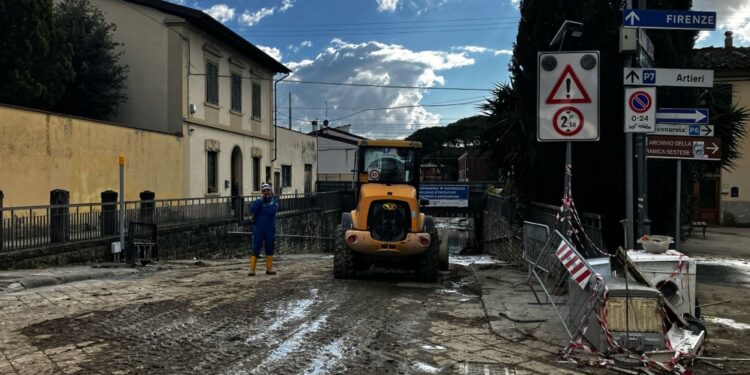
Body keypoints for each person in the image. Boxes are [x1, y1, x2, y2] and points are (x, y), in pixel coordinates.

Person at [248, 183, 279, 276]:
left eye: (268, 190)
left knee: (270, 248)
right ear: (262, 192)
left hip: (270, 229)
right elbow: (252, 209)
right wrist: (261, 202)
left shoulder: (274, 201)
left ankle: (269, 269)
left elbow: (272, 211)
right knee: (256, 248)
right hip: (258, 229)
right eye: (264, 191)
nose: (266, 192)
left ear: (270, 191)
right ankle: (252, 270)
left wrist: (261, 209)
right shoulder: (259, 201)